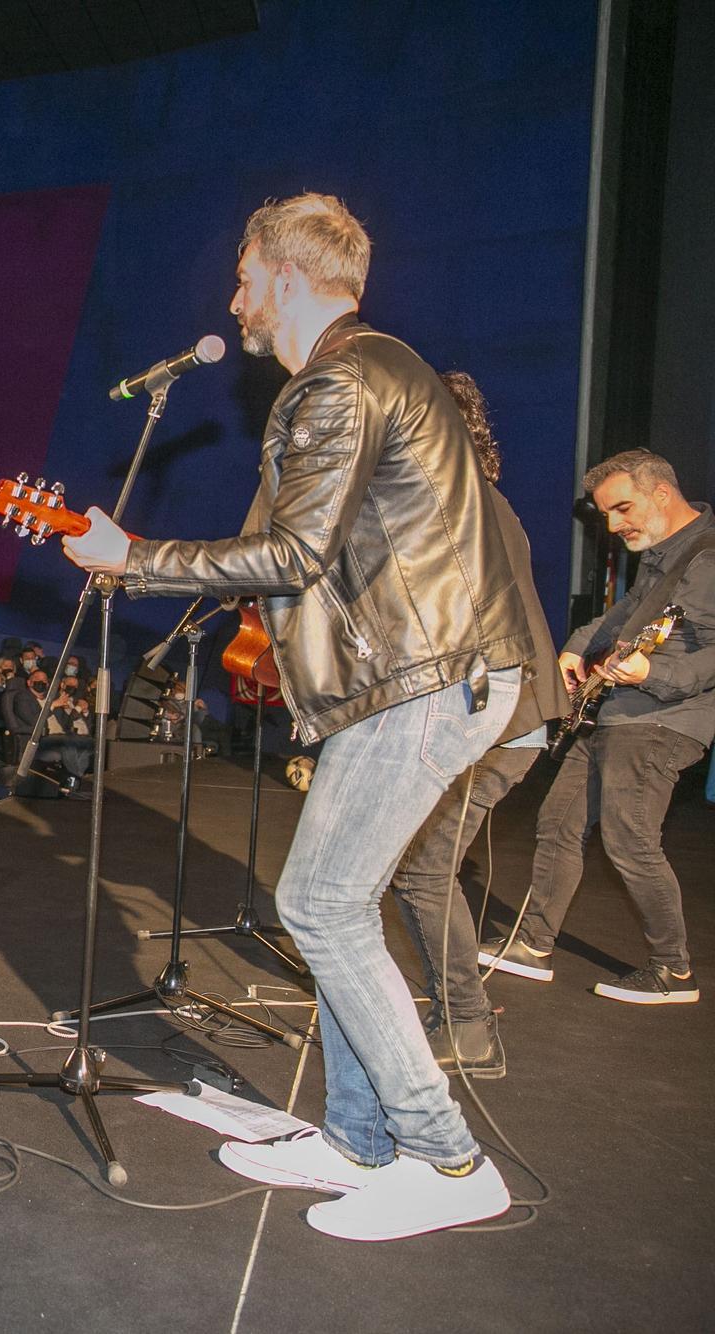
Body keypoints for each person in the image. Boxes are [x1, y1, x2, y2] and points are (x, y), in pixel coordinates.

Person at [62, 193, 532, 1240]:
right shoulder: (381, 365)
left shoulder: (335, 381)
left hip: (419, 677)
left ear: (281, 273)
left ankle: (449, 1162)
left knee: (318, 905)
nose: (232, 302)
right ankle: (359, 1139)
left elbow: (290, 554)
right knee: (336, 904)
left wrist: (129, 558)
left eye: (240, 279)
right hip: (424, 671)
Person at [482, 448, 714, 1005]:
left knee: (629, 842)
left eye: (623, 509)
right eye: (607, 514)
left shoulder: (707, 559)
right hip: (616, 712)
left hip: (662, 720)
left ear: (662, 493)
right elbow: (622, 617)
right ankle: (533, 943)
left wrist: (652, 671)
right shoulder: (664, 554)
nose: (613, 526)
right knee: (558, 823)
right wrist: (575, 649)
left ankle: (673, 971)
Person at [384, 372, 563, 1079]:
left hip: (496, 723)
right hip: (498, 718)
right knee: (422, 868)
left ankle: (467, 1027)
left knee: (424, 870)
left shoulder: (464, 509)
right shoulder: (478, 503)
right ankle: (458, 1014)